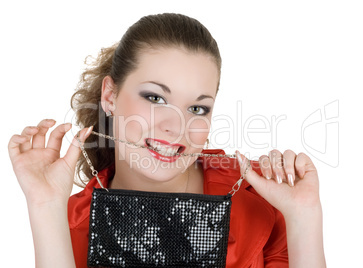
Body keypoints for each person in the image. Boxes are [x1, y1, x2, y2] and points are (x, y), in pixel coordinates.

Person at [8, 13, 326, 268]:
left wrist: (304, 217)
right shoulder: (68, 224)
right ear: (110, 96)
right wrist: (45, 207)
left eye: (197, 108)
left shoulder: (263, 197)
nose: (176, 127)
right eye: (155, 98)